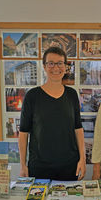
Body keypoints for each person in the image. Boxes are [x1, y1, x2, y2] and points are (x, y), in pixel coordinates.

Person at [19, 47, 86, 180]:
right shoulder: (32, 96)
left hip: (69, 166)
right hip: (39, 168)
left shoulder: (72, 95)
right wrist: (22, 165)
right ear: (44, 66)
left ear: (66, 67)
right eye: (51, 63)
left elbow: (78, 129)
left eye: (60, 63)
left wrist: (82, 160)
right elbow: (23, 133)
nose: (56, 68)